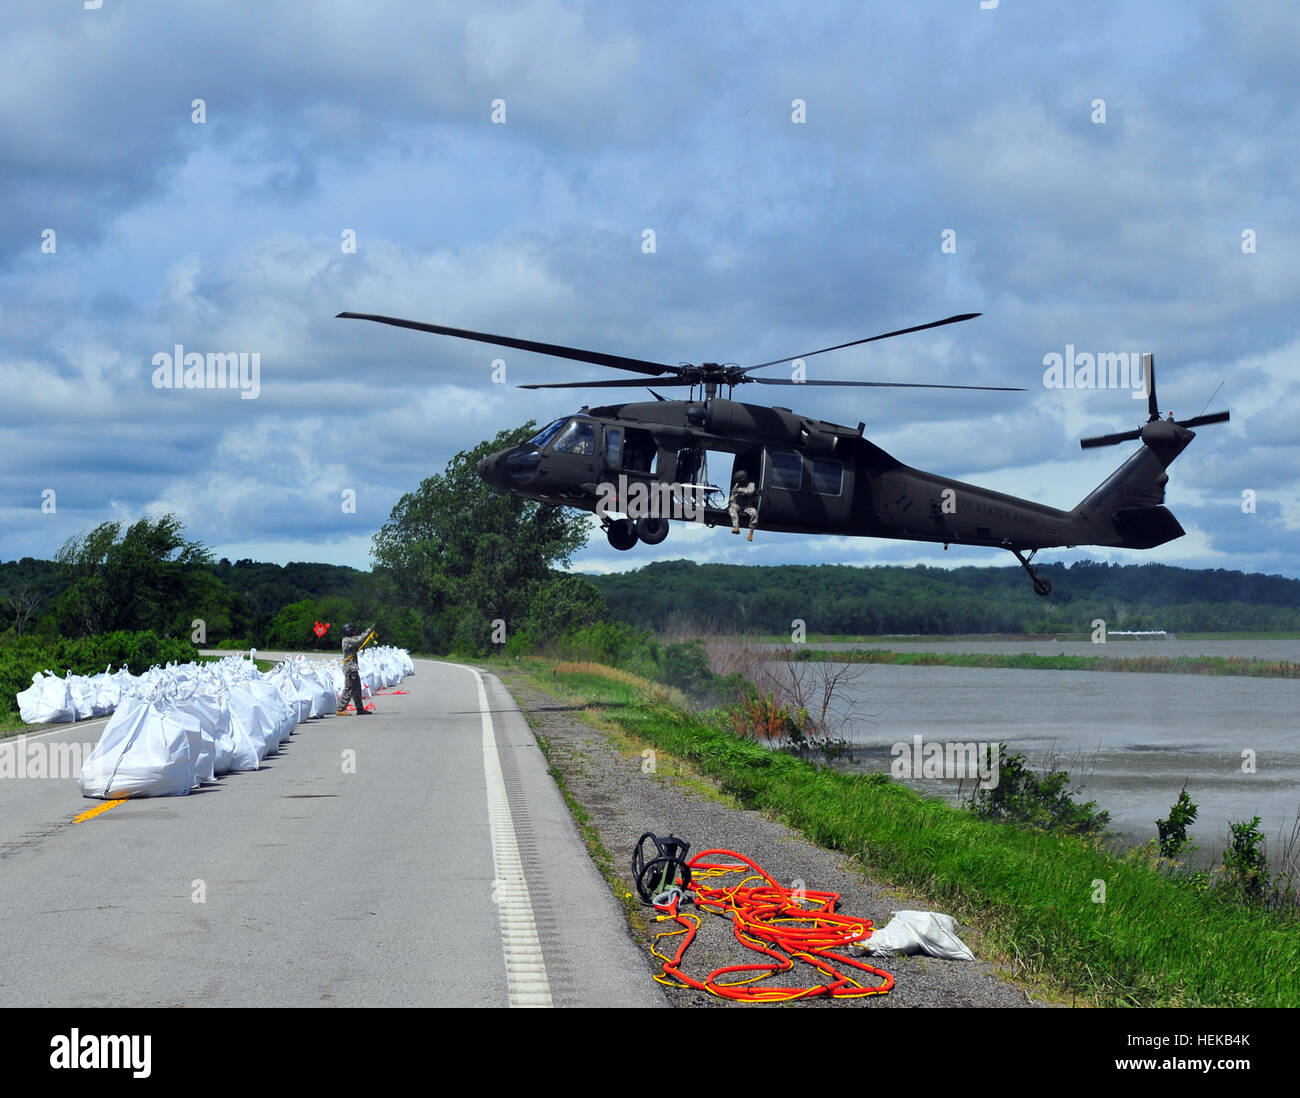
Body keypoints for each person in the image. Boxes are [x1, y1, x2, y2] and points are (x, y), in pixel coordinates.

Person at [337, 622, 374, 715]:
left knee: (357, 689)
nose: (354, 632)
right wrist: (369, 630)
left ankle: (360, 709)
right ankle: (340, 709)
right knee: (349, 688)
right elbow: (359, 640)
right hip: (350, 668)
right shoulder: (347, 640)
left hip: (353, 668)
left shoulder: (349, 639)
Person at [728, 469, 758, 541]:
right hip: (738, 504)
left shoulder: (751, 484)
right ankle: (736, 527)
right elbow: (732, 497)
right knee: (731, 509)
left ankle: (751, 532)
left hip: (747, 506)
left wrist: (739, 490)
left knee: (754, 513)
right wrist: (734, 493)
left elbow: (750, 491)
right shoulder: (737, 485)